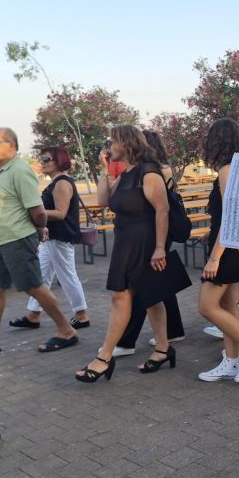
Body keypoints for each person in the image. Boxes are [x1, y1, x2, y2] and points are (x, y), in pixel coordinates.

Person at [0, 128, 78, 358]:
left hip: (16, 239)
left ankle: (66, 330)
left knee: (33, 286)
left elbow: (37, 210)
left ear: (11, 144)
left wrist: (39, 230)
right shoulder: (2, 171)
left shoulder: (20, 170)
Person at [76, 126, 172, 382]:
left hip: (144, 243)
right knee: (150, 299)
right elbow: (103, 201)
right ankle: (163, 349)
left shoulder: (149, 173)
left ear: (127, 143)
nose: (108, 146)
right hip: (125, 242)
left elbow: (162, 211)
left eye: (113, 142)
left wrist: (160, 248)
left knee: (123, 297)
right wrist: (105, 168)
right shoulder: (126, 172)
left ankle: (104, 357)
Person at [197, 118, 239, 383]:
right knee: (227, 305)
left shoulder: (227, 169)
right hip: (229, 245)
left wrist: (215, 256)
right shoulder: (237, 167)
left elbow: (231, 216)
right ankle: (230, 359)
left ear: (217, 141)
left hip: (226, 250)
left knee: (206, 306)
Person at [115, 130, 190, 357]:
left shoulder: (156, 171)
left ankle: (127, 341)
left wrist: (158, 246)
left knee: (144, 286)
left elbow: (161, 209)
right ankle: (173, 331)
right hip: (154, 231)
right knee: (158, 283)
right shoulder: (151, 169)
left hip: (158, 232)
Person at [8, 147, 90, 331]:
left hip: (60, 236)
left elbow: (61, 213)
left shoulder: (62, 183)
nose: (43, 162)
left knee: (67, 274)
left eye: (47, 159)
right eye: (42, 159)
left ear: (59, 160)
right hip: (51, 236)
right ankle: (33, 314)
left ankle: (81, 314)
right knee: (41, 275)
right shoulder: (55, 182)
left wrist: (34, 213)